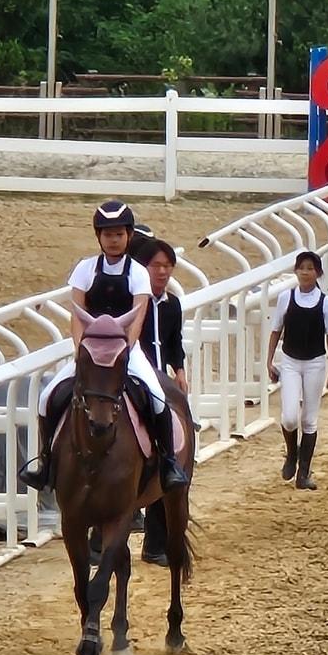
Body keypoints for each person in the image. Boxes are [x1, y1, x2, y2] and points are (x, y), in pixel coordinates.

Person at [17, 200, 189, 494]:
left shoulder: (137, 272)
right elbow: (77, 313)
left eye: (119, 234)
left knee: (158, 397)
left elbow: (138, 315)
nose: (113, 240)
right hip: (91, 353)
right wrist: (81, 349)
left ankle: (169, 463)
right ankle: (46, 463)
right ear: (99, 236)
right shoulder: (85, 269)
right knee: (48, 397)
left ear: (129, 236)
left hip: (126, 352)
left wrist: (125, 349)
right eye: (108, 234)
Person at [128, 236, 188, 565]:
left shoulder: (172, 304)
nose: (163, 272)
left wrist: (179, 369)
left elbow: (174, 341)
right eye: (156, 266)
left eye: (168, 266)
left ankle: (156, 541)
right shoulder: (132, 300)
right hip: (135, 376)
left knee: (170, 451)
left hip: (162, 380)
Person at [265, 251, 328, 491]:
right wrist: (269, 361)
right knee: (288, 416)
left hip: (315, 363)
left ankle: (304, 473)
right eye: (301, 268)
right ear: (296, 271)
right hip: (290, 361)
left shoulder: (325, 302)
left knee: (309, 419)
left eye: (310, 268)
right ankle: (291, 454)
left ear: (317, 272)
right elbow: (276, 329)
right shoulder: (286, 297)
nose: (305, 272)